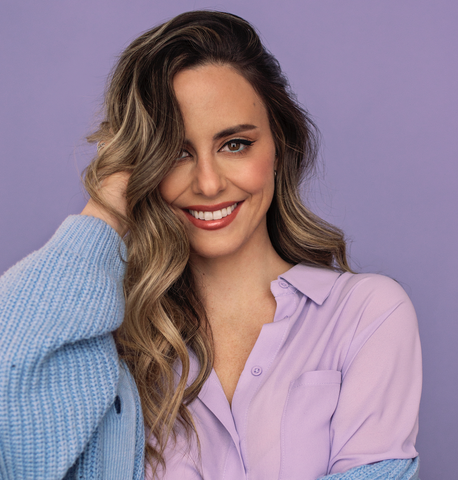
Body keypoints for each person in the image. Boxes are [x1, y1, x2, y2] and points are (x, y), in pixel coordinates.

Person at [0, 10, 421, 480]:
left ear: (278, 148)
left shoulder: (365, 313)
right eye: (175, 152)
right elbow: (18, 452)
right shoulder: (106, 336)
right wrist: (109, 204)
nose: (206, 182)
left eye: (235, 144)